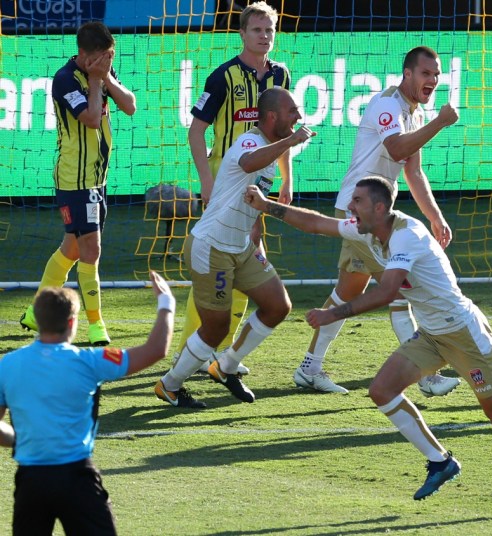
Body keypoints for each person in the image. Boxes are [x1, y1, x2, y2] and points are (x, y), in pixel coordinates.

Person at [243, 177, 492, 514]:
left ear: (379, 207)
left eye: (357, 201)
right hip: (431, 335)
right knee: (381, 390)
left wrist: (333, 313)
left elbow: (388, 291)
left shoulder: (407, 236)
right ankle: (440, 461)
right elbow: (317, 224)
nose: (350, 207)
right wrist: (267, 207)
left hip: (464, 334)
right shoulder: (367, 229)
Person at [291, 46, 461, 397]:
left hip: (374, 215)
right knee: (400, 288)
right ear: (407, 74)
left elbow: (413, 172)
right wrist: (441, 122)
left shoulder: (413, 112)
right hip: (359, 212)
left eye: (436, 75)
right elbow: (397, 149)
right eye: (426, 73)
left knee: (348, 292)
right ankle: (426, 377)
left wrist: (435, 216)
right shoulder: (387, 106)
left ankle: (309, 368)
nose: (433, 80)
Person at [155, 87, 310, 408]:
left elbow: (252, 198)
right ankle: (169, 386)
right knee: (216, 328)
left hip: (240, 247)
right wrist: (291, 142)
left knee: (278, 306)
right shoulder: (249, 141)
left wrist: (257, 237)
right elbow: (250, 163)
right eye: (293, 111)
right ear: (272, 116)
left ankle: (225, 366)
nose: (298, 116)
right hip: (211, 247)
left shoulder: (271, 149)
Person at [0, 271, 175, 535]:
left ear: (38, 319)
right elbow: (155, 350)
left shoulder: (8, 365)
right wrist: (166, 303)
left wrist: (19, 439)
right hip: (77, 479)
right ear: (72, 323)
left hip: (31, 482)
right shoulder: (90, 361)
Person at [174, 0, 293, 374]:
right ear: (242, 34)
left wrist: (287, 178)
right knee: (217, 261)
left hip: (259, 183)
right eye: (257, 30)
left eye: (269, 30)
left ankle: (217, 351)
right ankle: (192, 350)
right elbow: (196, 131)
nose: (264, 36)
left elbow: (283, 133)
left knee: (244, 259)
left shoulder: (281, 75)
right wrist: (206, 181)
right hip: (225, 184)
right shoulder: (222, 76)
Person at [18, 21, 136, 346]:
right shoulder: (65, 79)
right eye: (101, 57)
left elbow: (130, 106)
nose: (107, 61)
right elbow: (92, 119)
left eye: (110, 56)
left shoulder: (103, 72)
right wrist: (97, 81)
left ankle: (36, 311)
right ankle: (96, 325)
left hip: (98, 178)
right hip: (75, 179)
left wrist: (106, 77)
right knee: (90, 250)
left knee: (71, 248)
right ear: (84, 55)